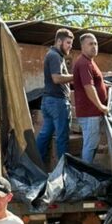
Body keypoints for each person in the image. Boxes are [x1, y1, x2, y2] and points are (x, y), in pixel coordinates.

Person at [36, 28, 74, 167]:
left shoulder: (56, 55)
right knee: (62, 137)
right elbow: (57, 78)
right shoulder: (54, 56)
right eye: (68, 43)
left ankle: (36, 165)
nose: (70, 46)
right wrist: (76, 77)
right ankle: (63, 170)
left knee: (45, 134)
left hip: (49, 101)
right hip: (57, 102)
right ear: (59, 41)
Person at [72, 32, 109, 164]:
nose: (94, 46)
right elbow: (89, 87)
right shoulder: (84, 63)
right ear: (82, 46)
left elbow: (96, 83)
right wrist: (101, 106)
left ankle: (87, 172)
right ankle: (85, 174)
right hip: (90, 113)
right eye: (90, 44)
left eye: (95, 44)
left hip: (92, 113)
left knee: (92, 144)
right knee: (90, 145)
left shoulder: (90, 62)